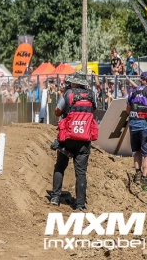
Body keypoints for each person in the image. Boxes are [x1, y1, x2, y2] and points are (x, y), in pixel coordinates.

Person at [49, 72, 98, 211]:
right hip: (84, 139)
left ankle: (55, 197)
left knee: (60, 166)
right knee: (81, 173)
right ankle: (80, 205)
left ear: (75, 82)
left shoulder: (69, 94)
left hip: (67, 138)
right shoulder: (92, 95)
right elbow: (93, 110)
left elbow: (57, 112)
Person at [127, 71, 147, 191]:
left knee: (137, 151)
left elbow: (128, 109)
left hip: (134, 126)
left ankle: (137, 174)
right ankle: (144, 179)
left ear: (140, 80)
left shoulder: (132, 92)